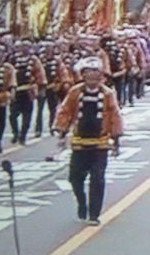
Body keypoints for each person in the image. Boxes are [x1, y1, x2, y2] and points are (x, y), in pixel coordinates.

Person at [53, 56, 123, 226]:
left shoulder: (107, 94)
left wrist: (116, 139)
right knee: (75, 178)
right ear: (83, 75)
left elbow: (115, 115)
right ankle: (81, 203)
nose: (92, 77)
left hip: (100, 143)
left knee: (97, 178)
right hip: (79, 142)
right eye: (88, 73)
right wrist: (62, 132)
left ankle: (94, 214)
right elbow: (65, 111)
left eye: (96, 73)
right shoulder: (75, 92)